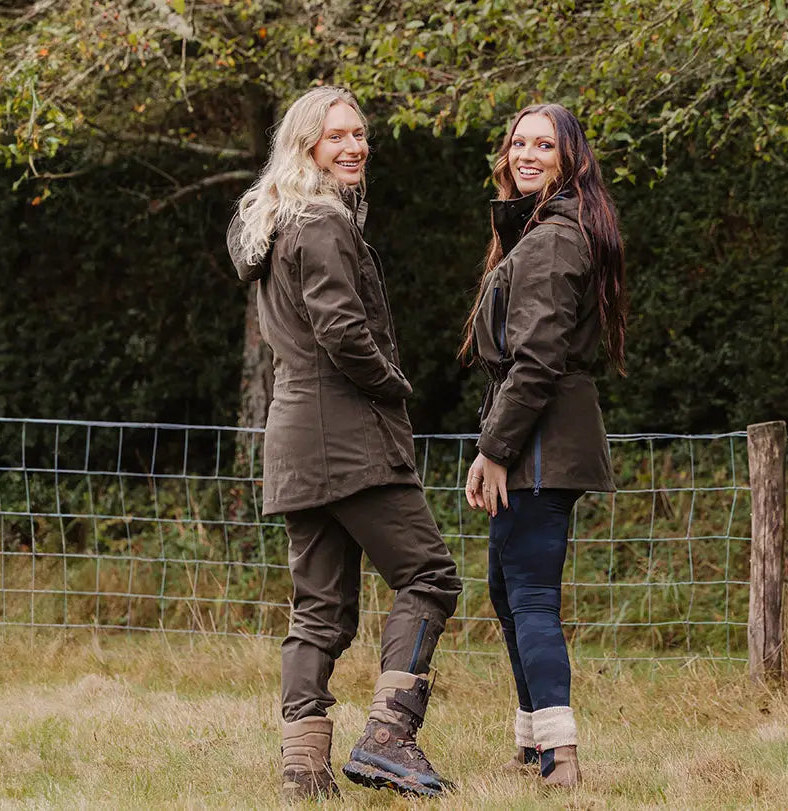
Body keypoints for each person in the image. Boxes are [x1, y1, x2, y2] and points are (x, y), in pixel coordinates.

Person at [226, 86, 462, 800]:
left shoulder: (276, 223)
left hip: (295, 438)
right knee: (430, 576)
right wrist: (393, 383)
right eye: (337, 136)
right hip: (349, 439)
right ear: (306, 147)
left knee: (320, 609)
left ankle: (303, 768)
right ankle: (389, 735)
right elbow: (340, 329)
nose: (355, 146)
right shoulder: (323, 222)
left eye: (360, 134)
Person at [461, 103, 628, 790]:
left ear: (570, 159)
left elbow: (536, 361)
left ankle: (562, 757)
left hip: (539, 441)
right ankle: (533, 747)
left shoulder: (556, 239)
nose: (525, 154)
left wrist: (494, 448)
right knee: (509, 592)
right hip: (531, 435)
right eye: (517, 143)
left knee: (529, 596)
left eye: (543, 145)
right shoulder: (537, 231)